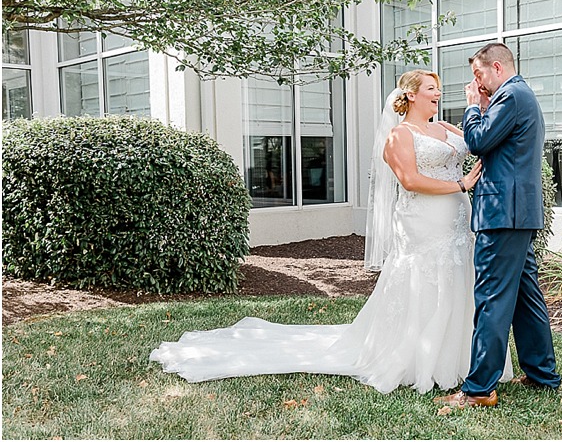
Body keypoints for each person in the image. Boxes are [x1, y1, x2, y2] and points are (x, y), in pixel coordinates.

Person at [150, 69, 512, 393]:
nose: (438, 93)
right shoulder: (399, 136)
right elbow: (411, 180)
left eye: (438, 89)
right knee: (427, 280)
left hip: (456, 218)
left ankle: (461, 360)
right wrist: (461, 185)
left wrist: (478, 107)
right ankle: (417, 359)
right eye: (431, 88)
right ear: (411, 94)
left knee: (457, 279)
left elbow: (476, 142)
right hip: (424, 219)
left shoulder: (446, 128)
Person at [437, 43, 560, 409]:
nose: (477, 84)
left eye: (479, 76)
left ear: (496, 67)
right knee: (525, 297)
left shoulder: (510, 95)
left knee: (490, 298)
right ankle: (542, 374)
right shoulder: (518, 96)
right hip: (516, 214)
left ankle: (478, 389)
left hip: (503, 214)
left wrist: (473, 104)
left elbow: (477, 141)